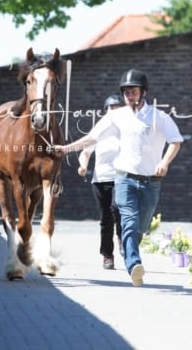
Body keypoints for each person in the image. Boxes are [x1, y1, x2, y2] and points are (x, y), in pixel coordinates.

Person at [54, 69, 183, 286]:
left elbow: (175, 141)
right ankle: (134, 265)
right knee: (129, 222)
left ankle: (132, 252)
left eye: (133, 92)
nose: (129, 96)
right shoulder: (116, 116)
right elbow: (92, 137)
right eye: (126, 93)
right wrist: (66, 149)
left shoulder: (159, 117)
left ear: (144, 92)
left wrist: (164, 162)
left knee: (141, 224)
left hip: (151, 181)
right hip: (124, 178)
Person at [78, 94, 124, 270]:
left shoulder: (127, 131)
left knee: (117, 210)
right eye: (111, 109)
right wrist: (83, 166)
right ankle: (107, 255)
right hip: (100, 179)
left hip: (121, 178)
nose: (114, 112)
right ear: (106, 111)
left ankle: (121, 240)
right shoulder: (100, 130)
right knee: (105, 219)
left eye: (118, 108)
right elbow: (85, 152)